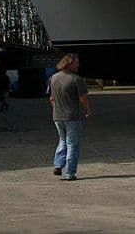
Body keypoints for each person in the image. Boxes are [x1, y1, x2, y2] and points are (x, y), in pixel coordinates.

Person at [48, 53, 92, 181]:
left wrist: (57, 108)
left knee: (62, 140)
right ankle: (70, 173)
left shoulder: (53, 78)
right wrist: (88, 110)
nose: (78, 65)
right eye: (76, 63)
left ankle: (58, 164)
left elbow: (51, 98)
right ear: (69, 64)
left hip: (57, 116)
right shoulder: (75, 79)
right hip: (72, 116)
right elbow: (82, 98)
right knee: (72, 144)